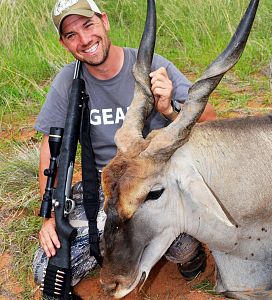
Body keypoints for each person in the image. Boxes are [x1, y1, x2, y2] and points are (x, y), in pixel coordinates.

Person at [33, 0, 216, 288]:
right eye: (71, 35)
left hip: (154, 187)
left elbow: (209, 120)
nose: (84, 40)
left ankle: (185, 251)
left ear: (104, 21)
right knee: (47, 272)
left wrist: (169, 109)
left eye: (88, 25)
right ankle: (115, 246)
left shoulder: (152, 64)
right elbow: (51, 149)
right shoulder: (67, 81)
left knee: (182, 245)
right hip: (104, 193)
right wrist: (51, 216)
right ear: (63, 43)